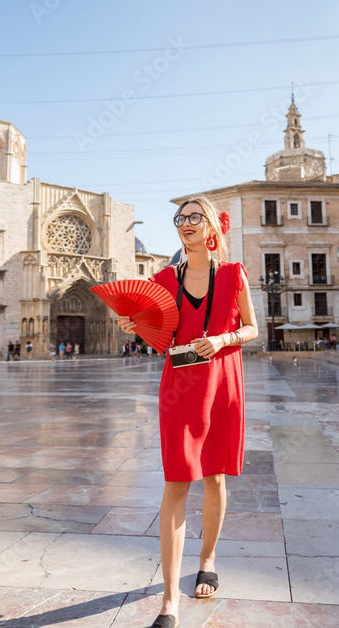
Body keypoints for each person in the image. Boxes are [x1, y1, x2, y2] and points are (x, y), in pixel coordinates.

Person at [116, 197, 257, 628]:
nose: (186, 223)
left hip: (223, 382)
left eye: (195, 216)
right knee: (176, 482)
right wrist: (133, 325)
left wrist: (222, 339)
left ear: (212, 225)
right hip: (180, 387)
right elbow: (156, 331)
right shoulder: (163, 278)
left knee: (214, 476)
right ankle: (168, 601)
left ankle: (208, 558)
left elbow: (253, 328)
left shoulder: (233, 275)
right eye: (180, 218)